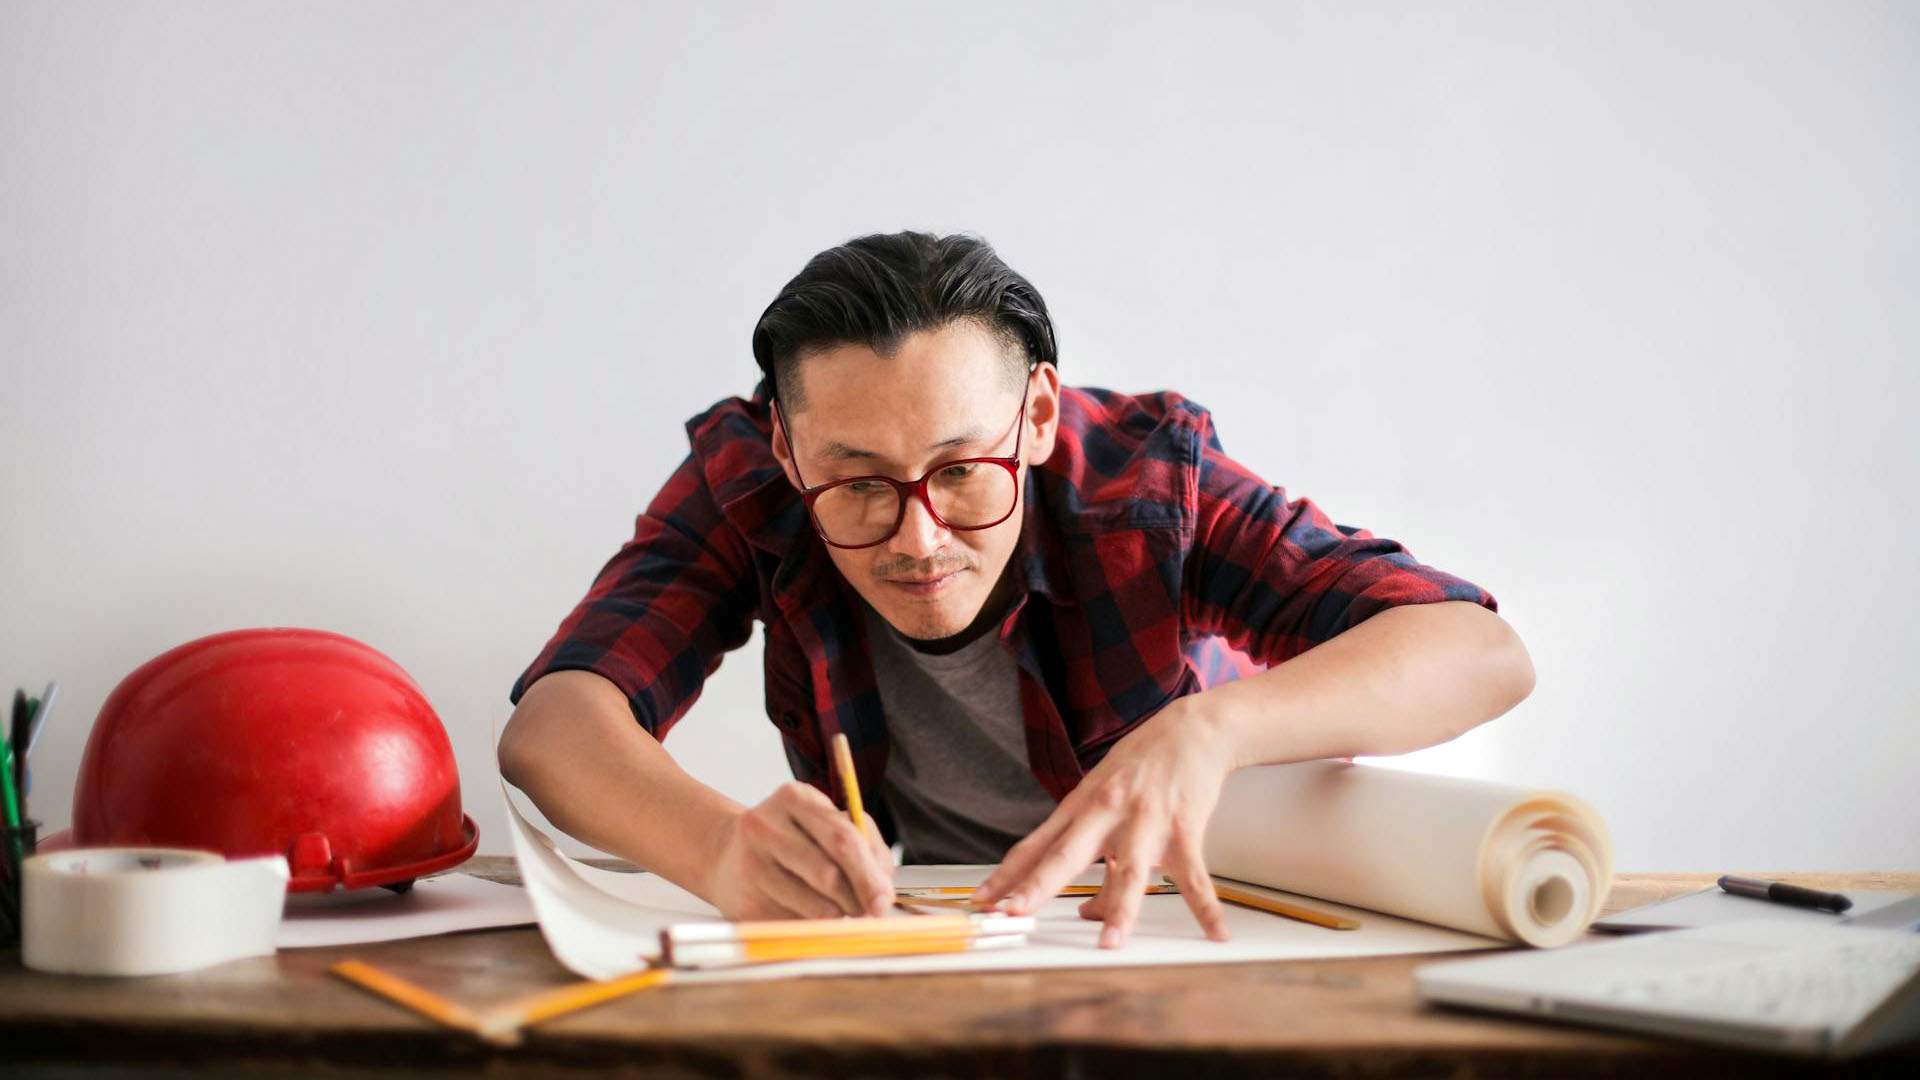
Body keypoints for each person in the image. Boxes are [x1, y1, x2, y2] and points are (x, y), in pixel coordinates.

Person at [497, 231, 1534, 948]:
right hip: (927, 929)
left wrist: (1209, 732)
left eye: (960, 470)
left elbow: (1479, 652)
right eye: (858, 483)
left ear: (1038, 415)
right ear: (787, 443)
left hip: (1171, 921)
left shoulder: (1143, 486)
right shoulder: (749, 484)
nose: (919, 538)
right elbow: (555, 726)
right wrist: (718, 848)